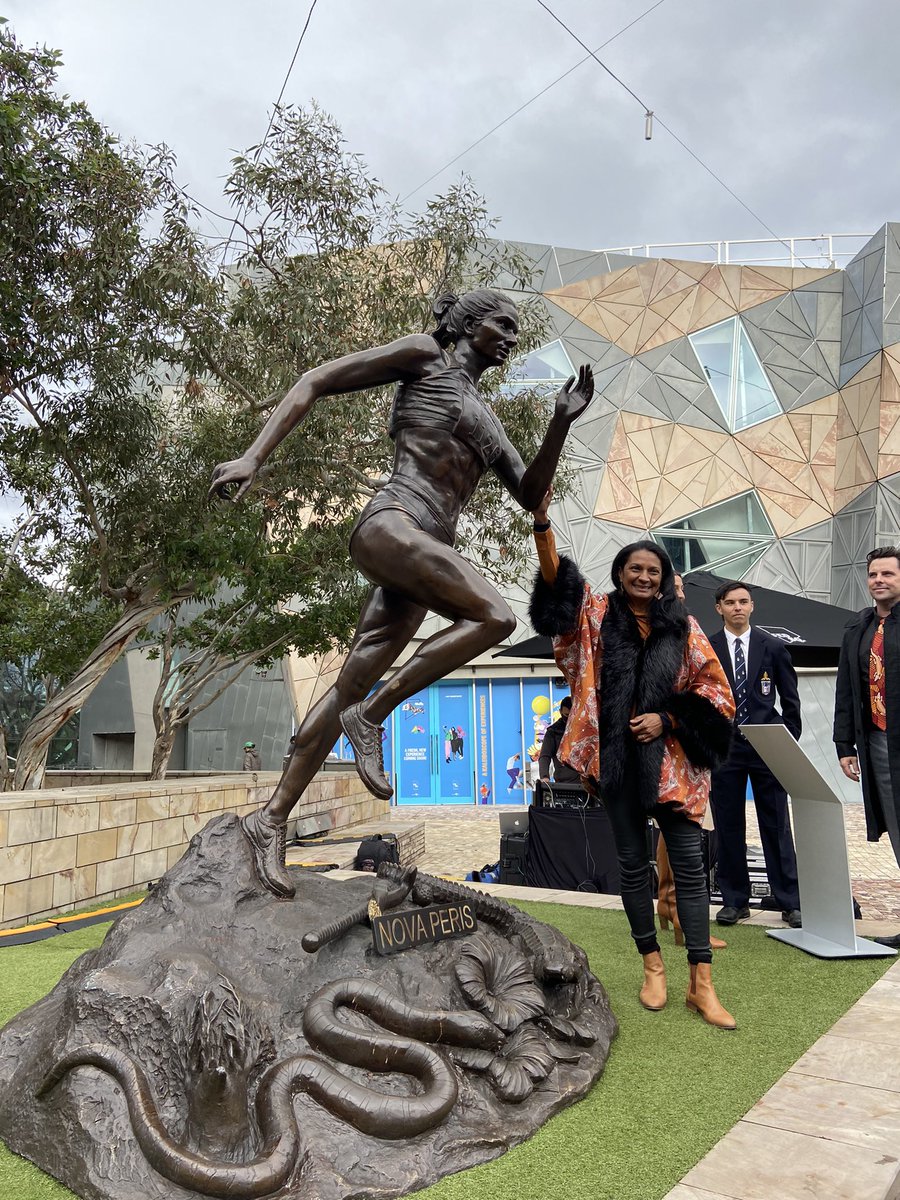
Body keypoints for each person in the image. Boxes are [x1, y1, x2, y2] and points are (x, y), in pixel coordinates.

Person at [209, 289, 593, 898]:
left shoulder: (489, 419)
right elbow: (316, 379)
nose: (512, 338)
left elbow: (531, 495)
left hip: (425, 549)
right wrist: (253, 457)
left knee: (348, 685)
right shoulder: (424, 357)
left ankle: (271, 819)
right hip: (393, 522)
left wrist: (559, 424)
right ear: (468, 323)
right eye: (503, 324)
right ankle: (375, 717)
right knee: (494, 617)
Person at [529, 492, 736, 1028]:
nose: (645, 577)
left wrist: (667, 719)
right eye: (635, 568)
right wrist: (543, 524)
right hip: (617, 767)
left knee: (690, 869)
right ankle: (652, 967)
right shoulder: (597, 619)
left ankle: (701, 982)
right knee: (631, 867)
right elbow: (556, 586)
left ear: (665, 578)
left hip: (674, 773)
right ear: (620, 574)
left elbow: (716, 696)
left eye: (653, 570)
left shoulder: (685, 629)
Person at [708, 581, 802, 929]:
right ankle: (735, 900)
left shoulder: (773, 646)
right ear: (719, 608)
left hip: (768, 743)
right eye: (730, 602)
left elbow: (791, 701)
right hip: (726, 747)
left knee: (776, 824)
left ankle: (789, 901)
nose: (737, 607)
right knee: (729, 825)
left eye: (743, 601)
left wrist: (788, 741)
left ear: (752, 606)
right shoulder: (707, 646)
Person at [656, 572, 727, 951]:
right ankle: (675, 908)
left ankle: (671, 904)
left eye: (683, 589)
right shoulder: (672, 632)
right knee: (681, 821)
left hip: (695, 739)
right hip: (672, 742)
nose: (681, 594)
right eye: (677, 588)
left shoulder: (690, 631)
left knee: (681, 824)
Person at [834, 547, 900, 948]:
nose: (879, 580)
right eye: (874, 574)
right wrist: (845, 744)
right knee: (897, 831)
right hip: (878, 744)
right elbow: (846, 690)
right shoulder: (857, 629)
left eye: (888, 574)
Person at [538, 696, 581, 786]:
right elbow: (545, 756)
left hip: (585, 782)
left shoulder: (583, 729)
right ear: (560, 712)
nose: (568, 719)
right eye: (566, 715)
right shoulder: (553, 732)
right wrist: (544, 776)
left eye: (571, 715)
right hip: (564, 782)